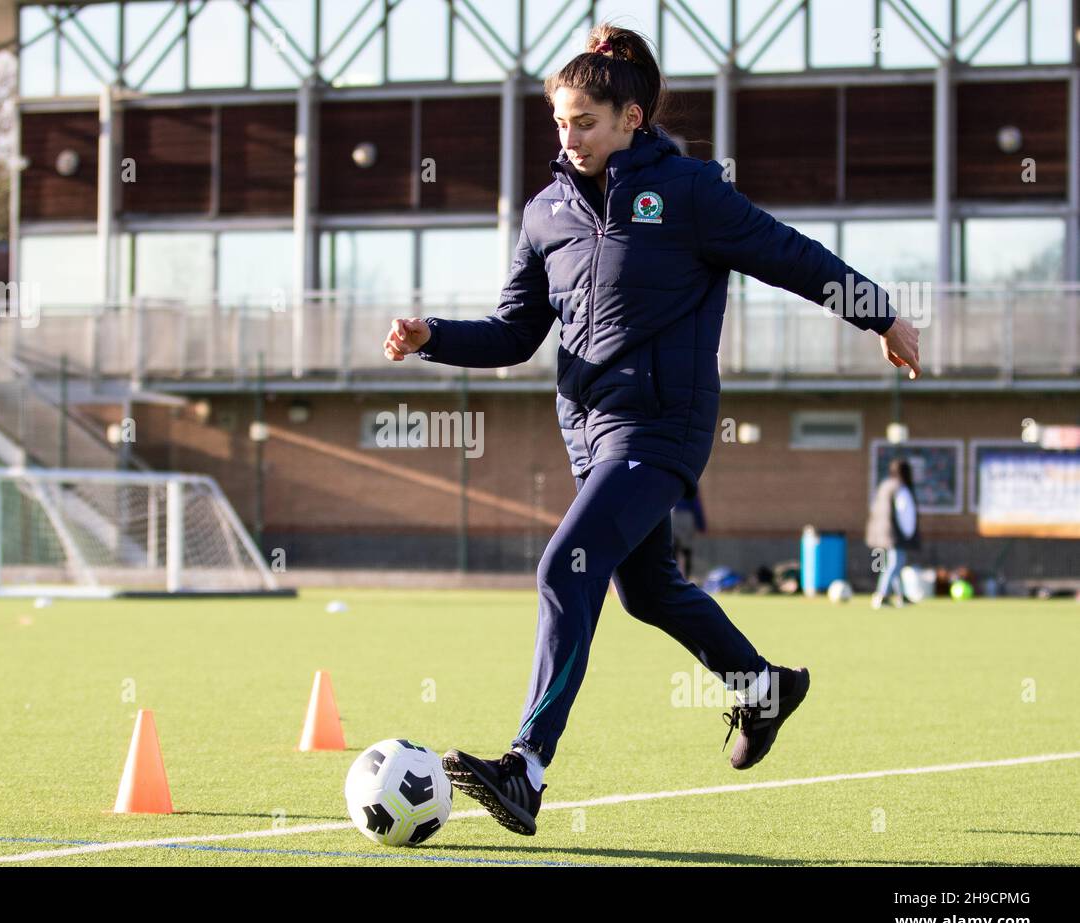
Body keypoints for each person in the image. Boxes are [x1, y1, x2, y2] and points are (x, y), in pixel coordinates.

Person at [382, 23, 922, 836]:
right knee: (645, 590)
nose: (570, 136)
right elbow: (514, 334)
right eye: (559, 122)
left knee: (566, 563)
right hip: (588, 434)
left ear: (631, 118)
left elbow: (794, 256)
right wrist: (434, 338)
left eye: (586, 121)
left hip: (663, 427)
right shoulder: (544, 214)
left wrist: (878, 313)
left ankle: (526, 767)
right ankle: (763, 688)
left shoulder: (690, 191)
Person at [866, 458, 921, 609]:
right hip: (894, 533)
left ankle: (901, 596)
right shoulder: (900, 488)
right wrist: (908, 533)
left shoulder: (884, 486)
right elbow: (905, 513)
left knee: (893, 564)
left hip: (881, 533)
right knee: (895, 564)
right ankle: (881, 595)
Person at [671, 491, 706, 582]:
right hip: (686, 517)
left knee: (674, 551)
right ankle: (685, 579)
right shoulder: (690, 479)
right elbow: (696, 504)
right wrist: (701, 524)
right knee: (686, 551)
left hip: (673, 515)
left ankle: (673, 579)